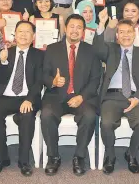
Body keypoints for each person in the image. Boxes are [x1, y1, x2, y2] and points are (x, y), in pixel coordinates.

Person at [41, 14, 101, 176]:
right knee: (46, 114)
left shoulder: (91, 51)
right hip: (56, 96)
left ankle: (79, 156)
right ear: (65, 28)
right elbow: (44, 74)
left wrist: (81, 96)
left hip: (81, 97)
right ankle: (53, 156)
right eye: (72, 27)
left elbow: (96, 79)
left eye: (79, 27)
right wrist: (53, 81)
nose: (75, 31)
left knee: (89, 115)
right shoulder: (52, 49)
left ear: (83, 31)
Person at [93, 19, 139, 174]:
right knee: (106, 123)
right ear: (117, 36)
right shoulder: (110, 49)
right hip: (112, 96)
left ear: (134, 34)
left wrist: (137, 98)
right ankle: (110, 156)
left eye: (129, 31)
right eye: (122, 32)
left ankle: (131, 153)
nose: (126, 35)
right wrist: (101, 25)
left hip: (135, 97)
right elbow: (97, 49)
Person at [0, 21, 44, 176]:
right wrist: (4, 61)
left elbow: (39, 81)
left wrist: (30, 99)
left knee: (27, 116)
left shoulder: (39, 55)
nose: (24, 35)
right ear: (15, 34)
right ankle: (1, 159)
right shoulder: (6, 52)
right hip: (6, 96)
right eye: (20, 31)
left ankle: (24, 161)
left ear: (33, 36)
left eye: (28, 32)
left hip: (27, 96)